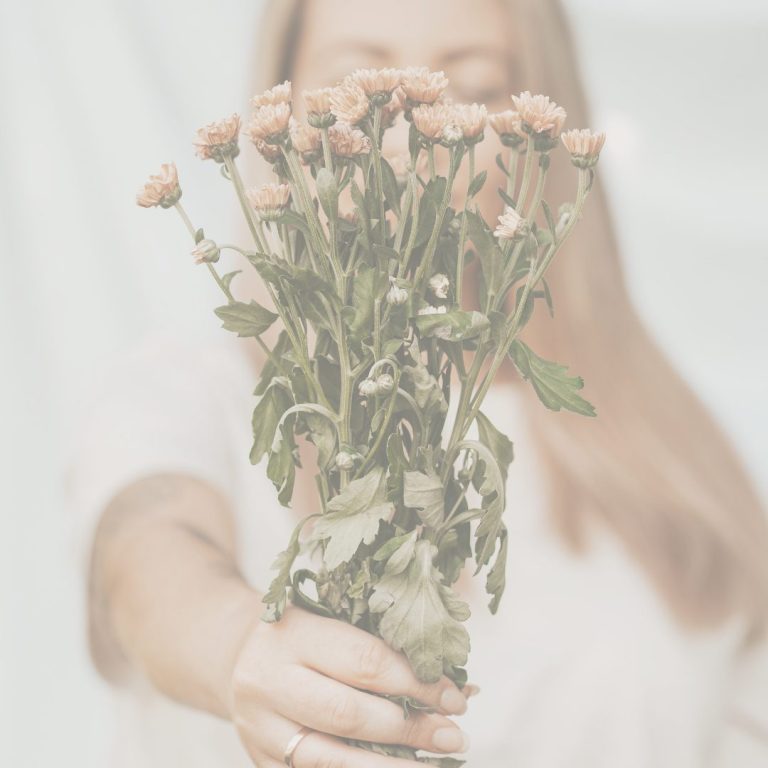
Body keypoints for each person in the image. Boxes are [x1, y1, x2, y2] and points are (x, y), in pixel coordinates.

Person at [68, 0, 768, 766]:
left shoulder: (671, 450)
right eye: (355, 86)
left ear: (546, 134)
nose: (402, 124)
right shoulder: (191, 390)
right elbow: (146, 556)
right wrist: (238, 644)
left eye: (471, 85)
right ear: (283, 110)